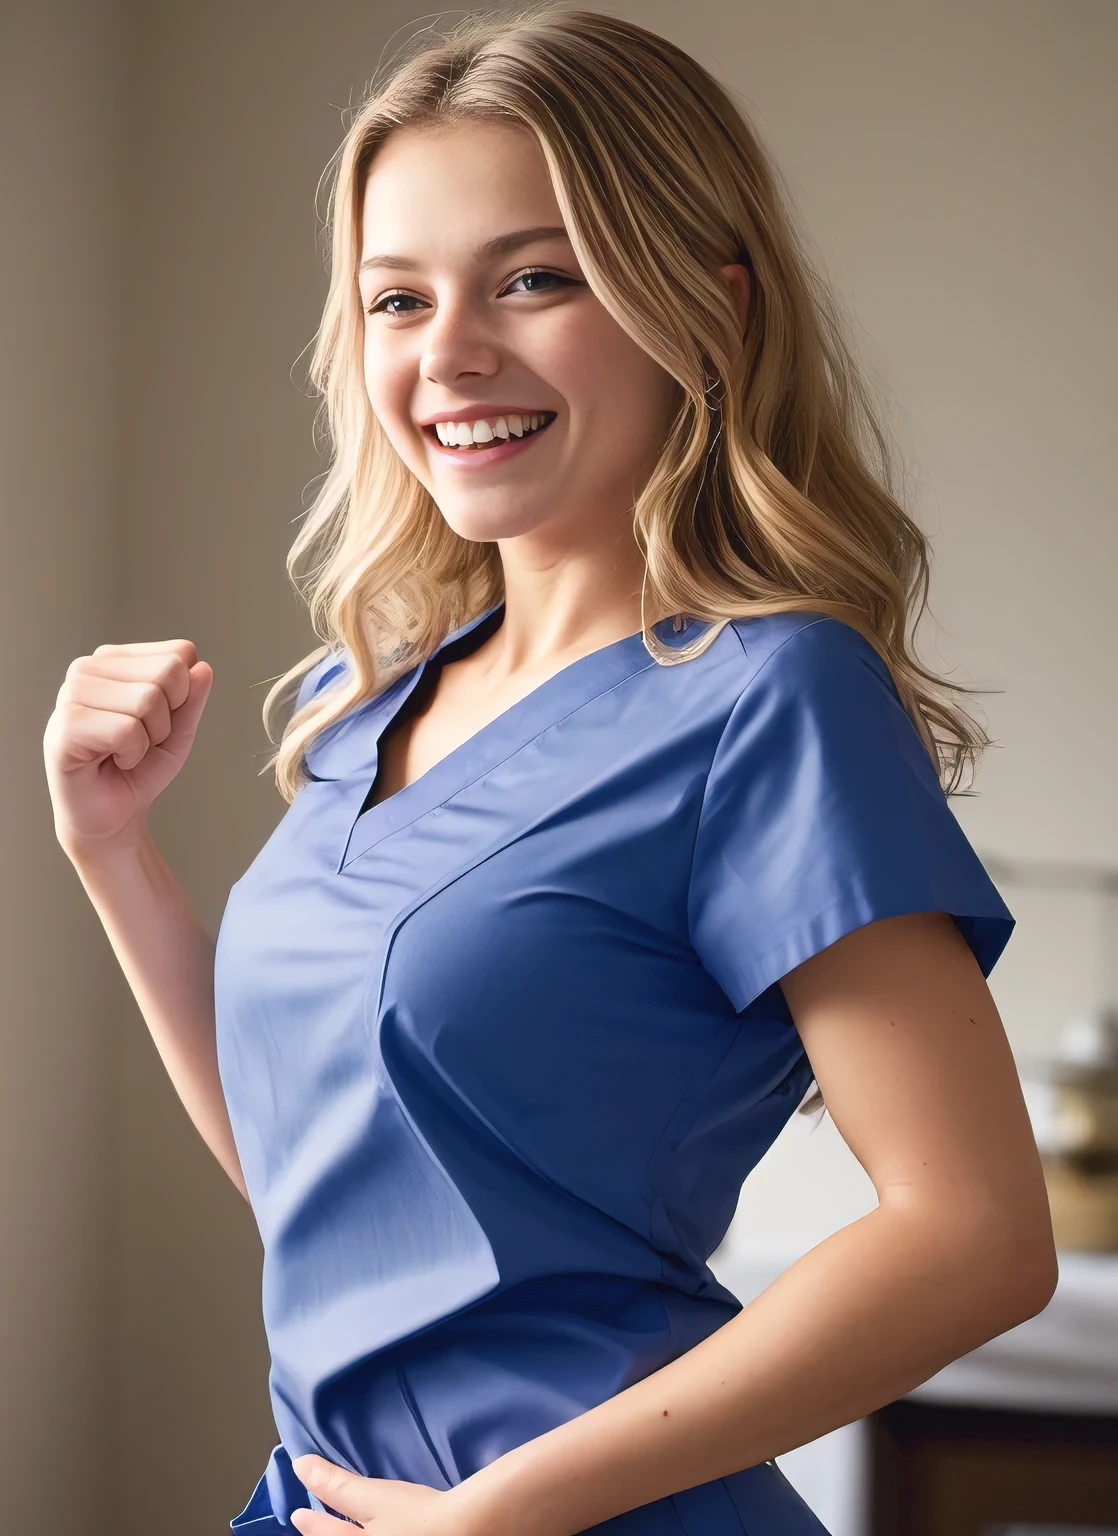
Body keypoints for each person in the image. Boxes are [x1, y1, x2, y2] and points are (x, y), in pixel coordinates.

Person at [43, 7, 1058, 1534]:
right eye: (397, 297)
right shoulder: (361, 699)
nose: (448, 354)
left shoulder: (769, 699)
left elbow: (975, 1234)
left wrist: (505, 1512)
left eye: (534, 278)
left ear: (702, 310)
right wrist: (114, 857)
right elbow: (324, 1186)